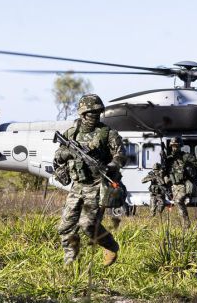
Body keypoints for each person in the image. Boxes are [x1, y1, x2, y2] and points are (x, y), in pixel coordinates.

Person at [53, 94, 125, 266]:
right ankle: (69, 262)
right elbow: (57, 157)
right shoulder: (71, 133)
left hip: (97, 185)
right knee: (66, 226)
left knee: (88, 224)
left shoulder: (108, 134)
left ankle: (110, 245)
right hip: (77, 185)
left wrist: (112, 166)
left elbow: (121, 155)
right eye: (91, 112)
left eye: (98, 112)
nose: (94, 116)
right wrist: (67, 153)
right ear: (82, 114)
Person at [163, 137, 197, 225]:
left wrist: (195, 179)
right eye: (173, 146)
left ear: (180, 146)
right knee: (177, 203)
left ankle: (186, 223)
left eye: (176, 146)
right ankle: (185, 223)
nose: (174, 148)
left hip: (183, 184)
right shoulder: (169, 159)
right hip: (174, 186)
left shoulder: (186, 156)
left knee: (178, 201)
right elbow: (165, 172)